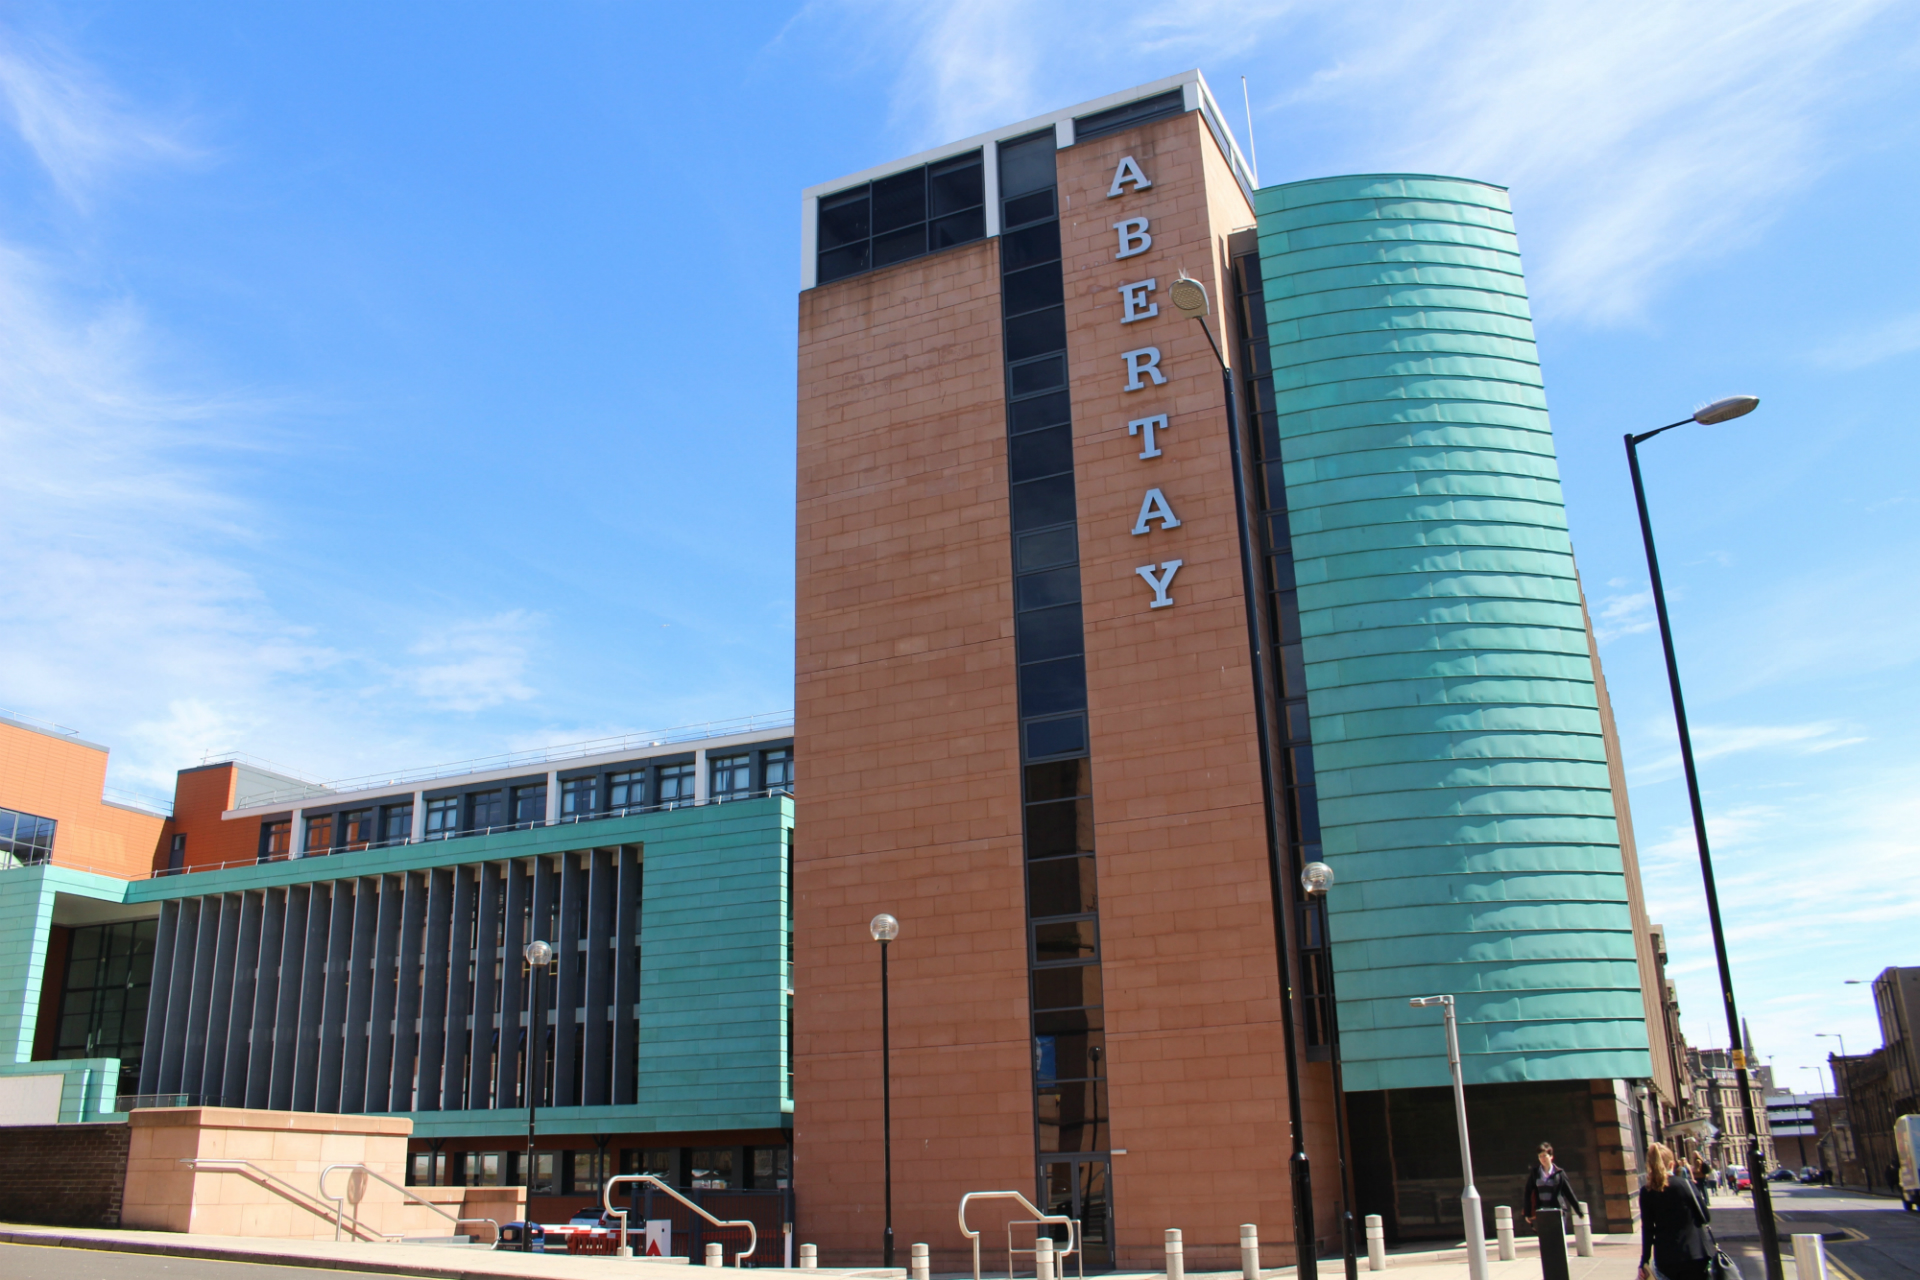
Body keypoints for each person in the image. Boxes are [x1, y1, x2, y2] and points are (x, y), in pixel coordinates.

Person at [1639, 1143, 1711, 1280]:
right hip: (1694, 1254)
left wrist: (1644, 1261)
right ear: (1672, 1164)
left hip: (1666, 1257)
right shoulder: (1685, 1185)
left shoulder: (1646, 1192)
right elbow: (1705, 1217)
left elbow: (1647, 1229)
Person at [1524, 1142, 1584, 1280]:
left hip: (1557, 1211)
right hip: (1542, 1212)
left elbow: (1569, 1193)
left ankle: (1561, 1272)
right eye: (1540, 1156)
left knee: (1558, 1243)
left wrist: (1579, 1210)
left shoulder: (1559, 1173)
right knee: (1547, 1245)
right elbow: (1528, 1193)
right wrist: (1528, 1212)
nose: (1542, 1159)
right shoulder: (1535, 1173)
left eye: (1545, 1155)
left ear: (1551, 1156)